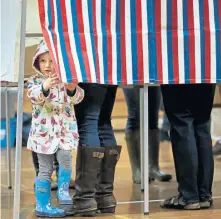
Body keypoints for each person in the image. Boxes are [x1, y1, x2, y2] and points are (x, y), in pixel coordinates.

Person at [27, 40, 84, 217]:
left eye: (52, 61)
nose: (47, 65)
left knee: (66, 159)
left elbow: (78, 98)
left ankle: (63, 192)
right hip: (43, 136)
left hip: (64, 133)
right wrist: (45, 87)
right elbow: (34, 96)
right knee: (45, 169)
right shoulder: (35, 81)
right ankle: (42, 205)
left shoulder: (65, 81)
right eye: (43, 61)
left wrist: (73, 89)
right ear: (37, 62)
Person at [64, 84, 122, 217]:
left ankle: (85, 198)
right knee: (104, 121)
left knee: (88, 120)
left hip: (90, 69)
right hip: (109, 69)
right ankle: (105, 197)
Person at [160, 84, 215, 210]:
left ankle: (189, 196)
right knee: (202, 125)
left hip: (179, 73)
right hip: (206, 72)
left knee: (181, 123)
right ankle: (204, 195)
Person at [123, 87, 172, 184]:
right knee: (134, 116)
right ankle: (137, 170)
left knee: (153, 117)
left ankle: (153, 168)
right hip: (131, 74)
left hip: (152, 74)